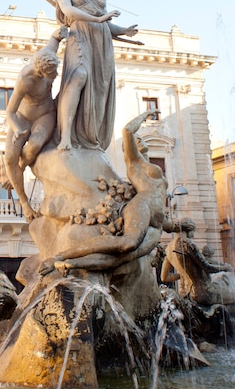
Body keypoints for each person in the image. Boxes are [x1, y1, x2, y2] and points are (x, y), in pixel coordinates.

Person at [40, 109, 169, 273]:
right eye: (136, 141)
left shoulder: (151, 167)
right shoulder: (135, 164)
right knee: (128, 243)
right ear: (127, 148)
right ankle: (61, 257)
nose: (140, 142)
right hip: (142, 208)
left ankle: (73, 265)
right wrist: (145, 115)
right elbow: (127, 131)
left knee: (123, 259)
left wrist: (176, 226)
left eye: (141, 139)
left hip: (156, 224)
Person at [44, 0, 138, 151]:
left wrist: (124, 31)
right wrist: (97, 19)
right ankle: (66, 137)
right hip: (80, 36)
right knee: (78, 76)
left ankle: (91, 137)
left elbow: (107, 25)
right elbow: (69, 12)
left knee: (98, 89)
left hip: (101, 42)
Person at [3, 27, 66, 222]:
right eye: (51, 73)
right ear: (39, 71)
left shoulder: (47, 56)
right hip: (22, 116)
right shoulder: (25, 79)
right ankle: (24, 203)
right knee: (9, 158)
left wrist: (61, 33)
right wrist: (17, 130)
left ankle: (19, 170)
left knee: (35, 146)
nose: (55, 74)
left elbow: (54, 38)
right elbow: (10, 111)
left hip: (45, 114)